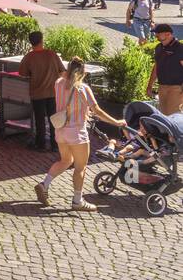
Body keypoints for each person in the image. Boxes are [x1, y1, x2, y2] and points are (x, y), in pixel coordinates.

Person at [35, 58, 127, 210]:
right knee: (80, 167)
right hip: (77, 133)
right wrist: (116, 122)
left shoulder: (58, 83)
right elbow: (97, 111)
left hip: (60, 130)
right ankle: (78, 201)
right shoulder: (83, 89)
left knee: (65, 160)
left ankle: (44, 185)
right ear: (83, 72)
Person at [19, 30, 63, 151]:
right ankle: (55, 144)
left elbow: (22, 73)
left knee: (39, 120)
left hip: (37, 93)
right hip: (52, 92)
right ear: (42, 40)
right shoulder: (52, 54)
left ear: (31, 42)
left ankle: (41, 144)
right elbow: (62, 70)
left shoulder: (29, 57)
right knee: (54, 119)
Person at [147, 23, 183, 115]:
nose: (156, 35)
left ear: (168, 34)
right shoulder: (158, 47)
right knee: (164, 117)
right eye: (155, 33)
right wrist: (150, 85)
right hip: (162, 87)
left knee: (173, 117)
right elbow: (156, 67)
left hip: (176, 88)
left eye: (158, 33)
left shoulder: (179, 48)